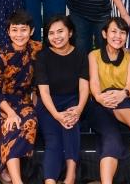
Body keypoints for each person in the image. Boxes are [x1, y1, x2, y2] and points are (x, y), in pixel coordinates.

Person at [88, 17, 130, 184]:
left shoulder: (129, 57)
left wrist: (122, 93)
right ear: (104, 34)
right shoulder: (93, 55)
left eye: (122, 32)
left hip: (126, 103)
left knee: (114, 92)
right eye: (114, 31)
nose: (118, 36)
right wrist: (100, 97)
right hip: (100, 106)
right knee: (111, 139)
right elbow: (93, 82)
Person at [0, 10, 42, 184]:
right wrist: (10, 113)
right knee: (11, 126)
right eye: (15, 30)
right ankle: (17, 181)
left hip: (24, 101)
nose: (19, 34)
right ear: (8, 32)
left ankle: (5, 169)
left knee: (30, 122)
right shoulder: (1, 56)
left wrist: (36, 104)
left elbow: (41, 80)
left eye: (23, 30)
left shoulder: (38, 48)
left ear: (31, 31)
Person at [35, 16, 89, 184]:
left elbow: (83, 87)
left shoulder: (80, 54)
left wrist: (79, 108)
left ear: (70, 32)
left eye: (60, 31)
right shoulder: (42, 56)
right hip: (48, 104)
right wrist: (56, 115)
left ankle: (70, 176)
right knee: (53, 139)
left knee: (70, 126)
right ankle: (49, 181)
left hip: (73, 101)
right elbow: (43, 92)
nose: (56, 37)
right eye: (51, 33)